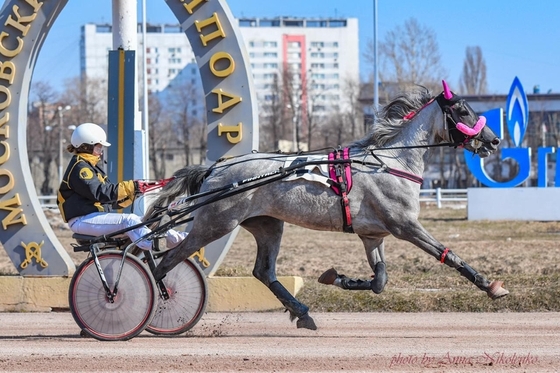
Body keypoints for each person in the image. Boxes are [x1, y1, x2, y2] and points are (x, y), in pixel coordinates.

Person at [57, 122, 187, 250]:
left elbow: (110, 201)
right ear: (86, 147)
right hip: (81, 220)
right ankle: (152, 243)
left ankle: (179, 240)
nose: (101, 152)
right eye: (98, 148)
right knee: (129, 220)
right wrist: (131, 186)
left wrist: (133, 193)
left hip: (92, 217)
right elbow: (101, 193)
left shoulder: (92, 167)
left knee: (146, 221)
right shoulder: (80, 168)